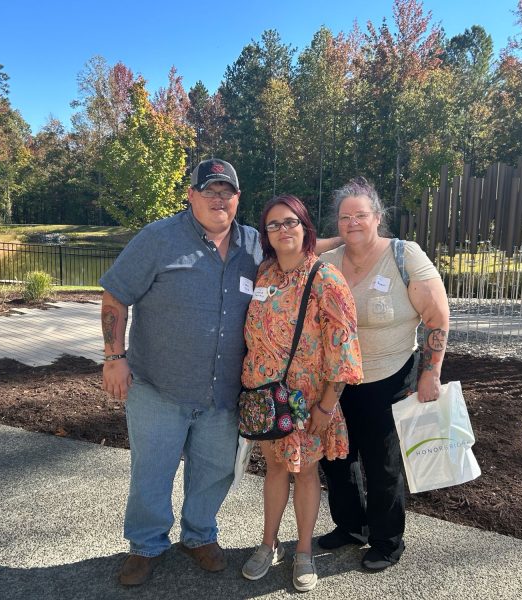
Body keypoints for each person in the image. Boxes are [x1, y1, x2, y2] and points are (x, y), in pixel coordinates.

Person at [100, 159, 340, 587]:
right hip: (159, 387)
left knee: (214, 473)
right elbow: (115, 297)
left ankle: (198, 535)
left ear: (237, 199)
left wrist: (361, 238)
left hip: (224, 395)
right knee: (151, 473)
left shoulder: (254, 244)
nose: (218, 199)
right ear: (190, 195)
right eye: (208, 191)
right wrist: (114, 356)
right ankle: (146, 545)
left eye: (226, 192)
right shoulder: (158, 238)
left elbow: (298, 246)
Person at [317, 177, 450, 571]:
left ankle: (387, 541)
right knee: (338, 459)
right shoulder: (329, 263)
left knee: (383, 465)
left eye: (361, 215)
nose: (352, 223)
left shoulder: (404, 256)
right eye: (344, 217)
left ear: (378, 217)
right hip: (337, 381)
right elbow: (300, 254)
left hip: (389, 378)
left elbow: (437, 317)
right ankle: (350, 526)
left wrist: (431, 373)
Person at [240, 195, 363, 592]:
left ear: (305, 227)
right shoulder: (263, 275)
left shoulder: (325, 279)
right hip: (265, 400)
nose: (282, 230)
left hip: (307, 401)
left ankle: (305, 550)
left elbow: (344, 348)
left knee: (306, 472)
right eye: (273, 225)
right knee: (275, 468)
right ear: (266, 235)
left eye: (290, 222)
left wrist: (327, 406)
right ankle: (268, 543)